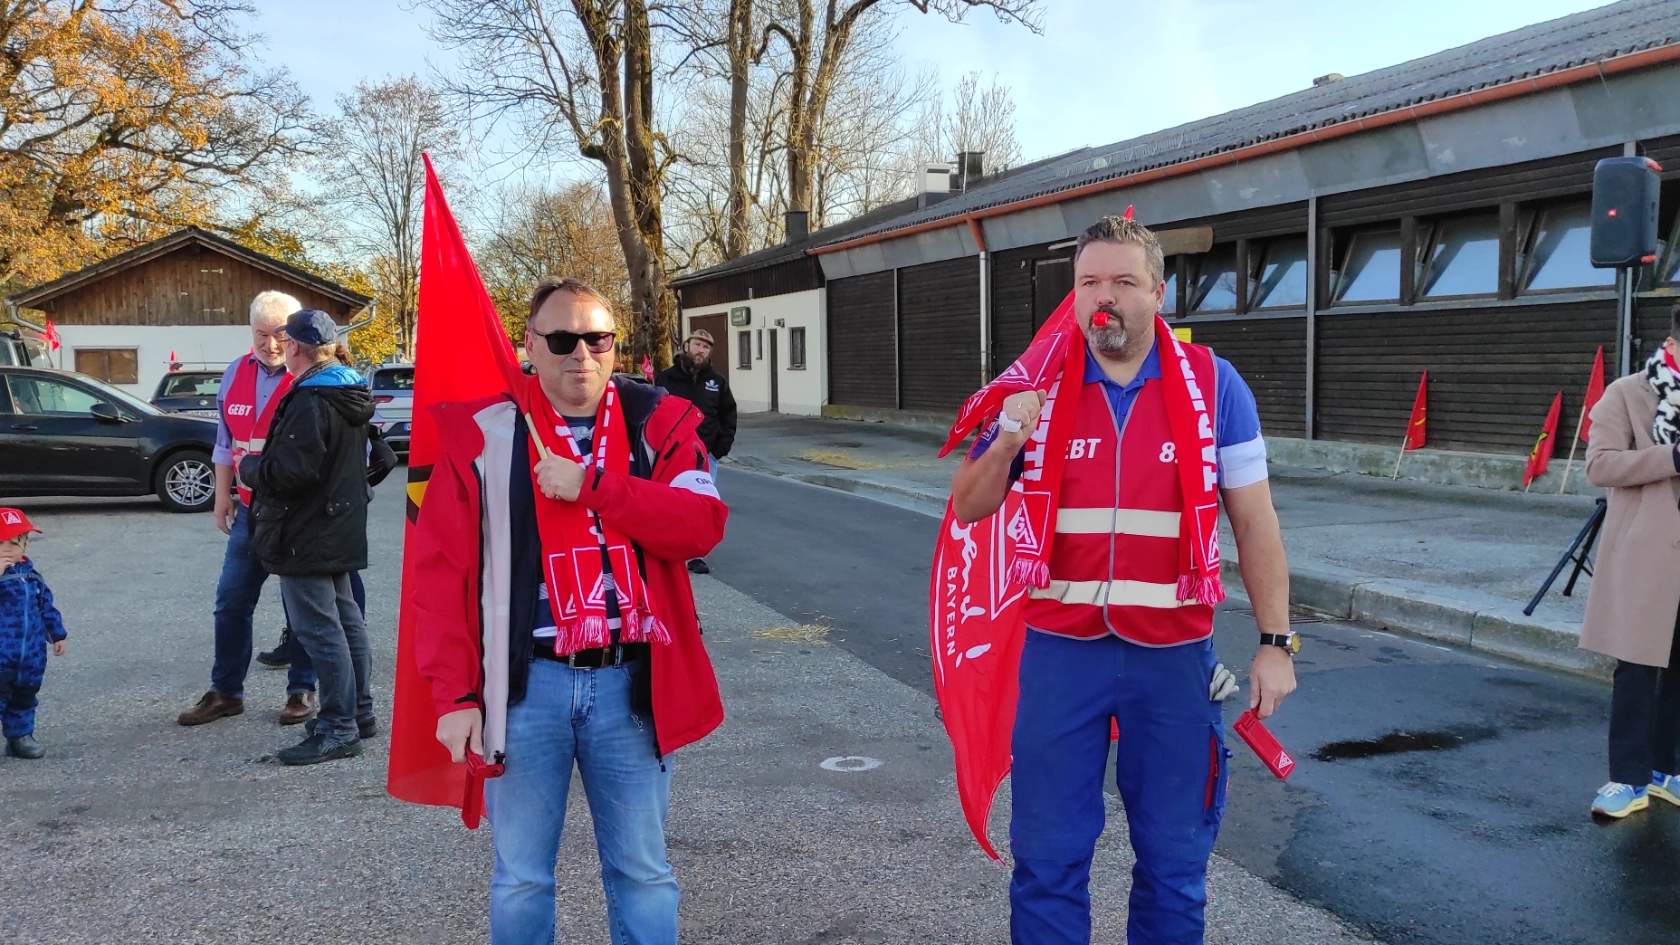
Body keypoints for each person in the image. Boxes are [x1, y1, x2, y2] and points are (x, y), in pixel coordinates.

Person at [949, 214, 1296, 945]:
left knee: (1174, 862)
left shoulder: (1214, 386)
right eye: (1089, 282)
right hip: (1060, 652)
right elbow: (972, 503)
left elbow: (1256, 520)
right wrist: (1011, 433)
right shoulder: (1033, 383)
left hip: (1172, 657)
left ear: (1157, 293)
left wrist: (1275, 641)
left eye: (1123, 282)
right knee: (1046, 857)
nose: (1104, 296)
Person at [412, 276, 726, 945]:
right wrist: (453, 694)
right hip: (528, 690)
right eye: (561, 338)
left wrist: (595, 487)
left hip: (630, 686)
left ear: (615, 345)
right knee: (522, 877)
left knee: (643, 873)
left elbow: (699, 525)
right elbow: (440, 577)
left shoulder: (658, 422)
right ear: (529, 345)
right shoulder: (487, 436)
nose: (580, 352)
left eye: (597, 337)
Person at [239, 310, 376, 766]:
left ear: (295, 347)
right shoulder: (350, 389)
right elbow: (383, 459)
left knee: (322, 631)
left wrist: (250, 467)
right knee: (345, 621)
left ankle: (340, 728)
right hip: (337, 525)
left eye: (285, 342)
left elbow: (293, 472)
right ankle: (359, 714)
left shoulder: (310, 397)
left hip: (306, 532)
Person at [179, 291, 318, 728]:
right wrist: (222, 497)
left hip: (297, 513)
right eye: (262, 334)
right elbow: (225, 443)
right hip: (251, 510)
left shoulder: (310, 377)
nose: (271, 345)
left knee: (301, 607)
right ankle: (226, 692)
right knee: (231, 601)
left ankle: (302, 688)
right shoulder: (235, 373)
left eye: (280, 335)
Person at [1581, 303, 1680, 819]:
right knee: (1638, 668)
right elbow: (1599, 465)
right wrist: (1673, 457)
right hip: (1646, 551)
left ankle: (1668, 770)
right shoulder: (1627, 392)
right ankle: (1627, 779)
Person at [655, 328, 736, 575]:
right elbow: (652, 412)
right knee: (669, 501)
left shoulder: (717, 381)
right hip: (670, 454)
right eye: (697, 344)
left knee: (701, 504)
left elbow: (728, 415)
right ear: (686, 346)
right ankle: (666, 547)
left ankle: (695, 556)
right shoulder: (666, 379)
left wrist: (719, 449)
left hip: (705, 456)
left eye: (706, 347)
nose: (701, 350)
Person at [0, 509, 66, 759]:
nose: (8, 549)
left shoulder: (30, 575)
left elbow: (45, 606)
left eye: (15, 543)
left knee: (24, 696)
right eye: (0, 543)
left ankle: (20, 736)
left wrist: (57, 634)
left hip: (30, 654)